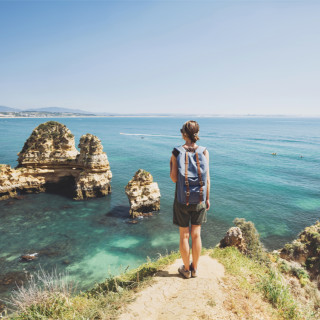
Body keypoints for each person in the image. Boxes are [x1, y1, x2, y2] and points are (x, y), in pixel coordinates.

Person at [170, 120, 210, 279]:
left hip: (181, 199)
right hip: (200, 198)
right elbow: (207, 178)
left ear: (184, 134)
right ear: (197, 133)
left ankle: (185, 270)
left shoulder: (176, 152)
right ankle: (195, 269)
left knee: (184, 235)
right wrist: (207, 198)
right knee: (196, 235)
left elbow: (173, 178)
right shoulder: (204, 151)